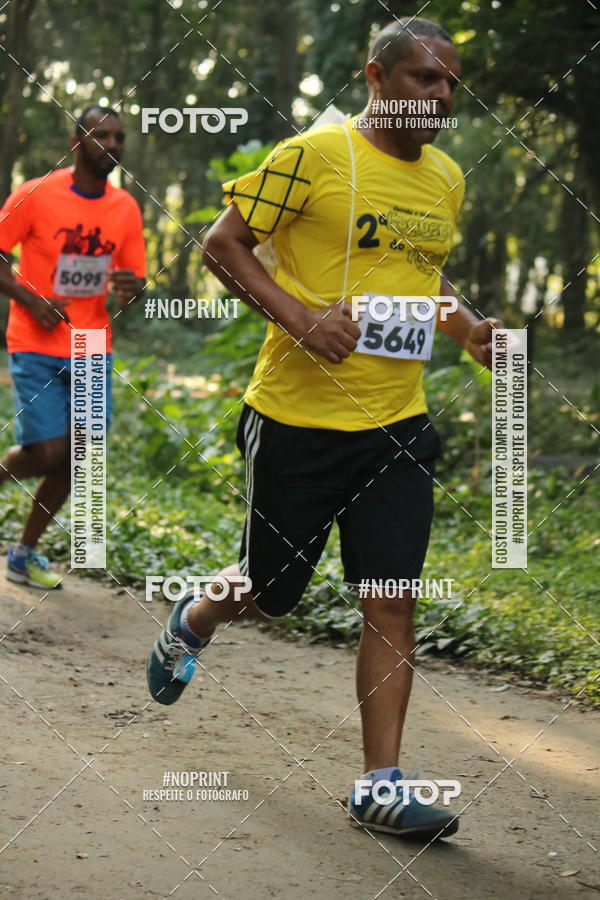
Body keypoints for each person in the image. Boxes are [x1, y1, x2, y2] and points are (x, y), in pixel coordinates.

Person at [147, 18, 502, 839]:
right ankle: (196, 614)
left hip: (399, 427)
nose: (442, 96)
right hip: (298, 420)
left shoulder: (446, 177)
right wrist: (302, 317)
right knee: (271, 596)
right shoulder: (317, 156)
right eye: (424, 79)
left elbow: (421, 273)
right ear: (376, 78)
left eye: (451, 82)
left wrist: (468, 328)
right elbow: (223, 243)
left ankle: (380, 784)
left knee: (392, 601)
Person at [0, 105, 146, 588]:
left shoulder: (124, 208)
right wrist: (29, 297)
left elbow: (133, 278)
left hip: (90, 342)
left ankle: (23, 553)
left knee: (80, 455)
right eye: (100, 134)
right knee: (45, 452)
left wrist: (132, 286)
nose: (112, 144)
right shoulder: (38, 194)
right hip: (35, 340)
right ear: (75, 141)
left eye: (119, 137)